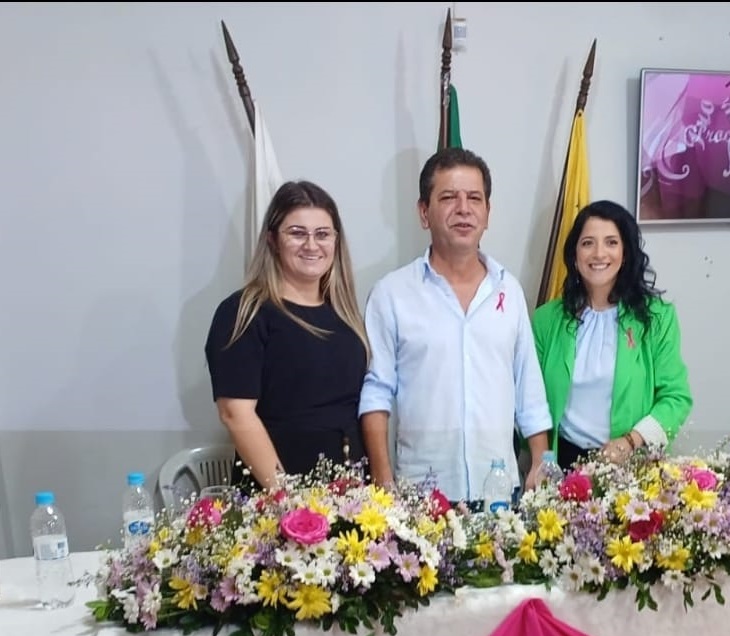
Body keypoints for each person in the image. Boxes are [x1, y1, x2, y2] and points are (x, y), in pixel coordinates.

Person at [358, 147, 552, 503]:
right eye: (448, 197)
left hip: (499, 493)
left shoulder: (508, 289)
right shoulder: (392, 294)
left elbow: (529, 390)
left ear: (487, 212)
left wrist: (540, 462)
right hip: (422, 496)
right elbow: (376, 393)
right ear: (424, 212)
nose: (463, 209)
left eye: (474, 198)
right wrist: (383, 480)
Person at [204, 180, 369, 490]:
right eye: (297, 233)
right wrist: (286, 496)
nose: (311, 245)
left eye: (322, 234)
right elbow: (235, 414)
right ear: (272, 239)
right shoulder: (244, 312)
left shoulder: (345, 314)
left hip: (351, 495)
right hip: (278, 497)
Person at [532, 200, 692, 470]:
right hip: (561, 463)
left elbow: (676, 398)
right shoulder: (546, 319)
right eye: (587, 243)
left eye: (611, 242)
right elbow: (530, 399)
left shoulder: (656, 317)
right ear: (574, 254)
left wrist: (631, 441)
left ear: (625, 252)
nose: (599, 253)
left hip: (630, 461)